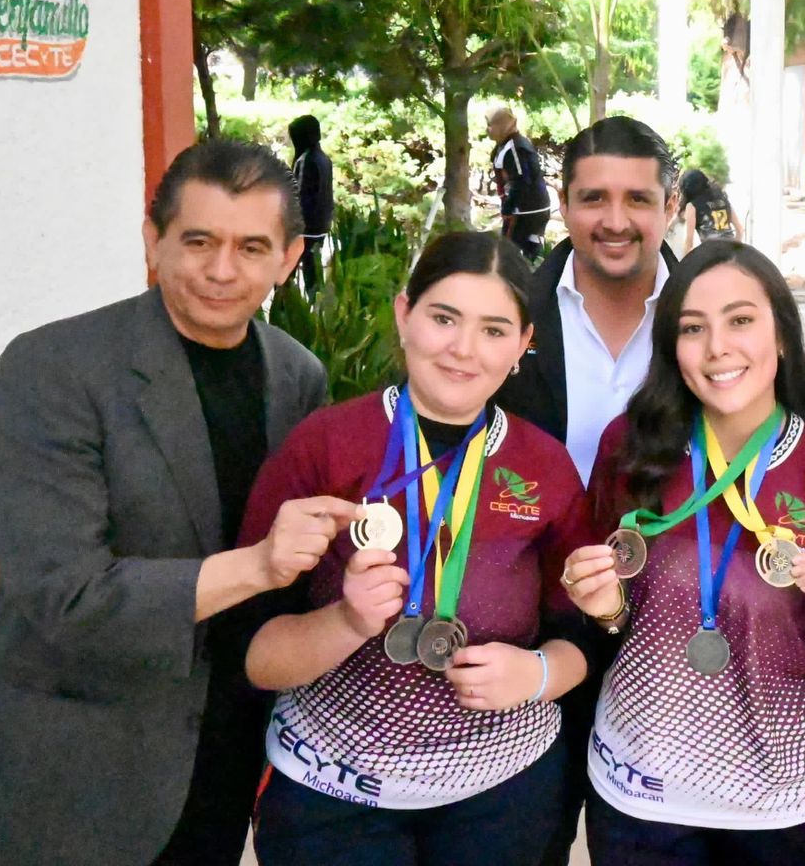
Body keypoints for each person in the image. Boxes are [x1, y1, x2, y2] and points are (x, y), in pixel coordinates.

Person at [0, 141, 341, 866]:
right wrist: (257, 566)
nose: (222, 270)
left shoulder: (297, 376)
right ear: (153, 241)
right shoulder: (55, 367)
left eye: (251, 247)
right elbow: (63, 593)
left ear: (288, 258)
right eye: (199, 241)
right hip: (74, 769)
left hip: (222, 754)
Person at [240, 231, 596, 866]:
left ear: (523, 344)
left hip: (503, 798)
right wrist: (347, 620)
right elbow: (255, 656)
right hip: (334, 797)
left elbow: (585, 636)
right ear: (404, 315)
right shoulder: (324, 446)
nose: (463, 349)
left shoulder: (544, 466)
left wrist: (538, 674)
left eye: (493, 330)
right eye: (444, 318)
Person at [561, 241, 805, 866]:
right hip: (640, 790)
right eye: (693, 328)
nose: (717, 348)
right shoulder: (629, 449)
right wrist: (602, 607)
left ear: (781, 335)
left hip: (781, 799)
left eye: (740, 320)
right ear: (671, 346)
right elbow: (613, 622)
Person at [495, 114, 680, 866]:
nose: (615, 220)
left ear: (671, 206)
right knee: (527, 843)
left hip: (675, 636)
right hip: (531, 632)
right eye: (593, 197)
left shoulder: (714, 318)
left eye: (638, 198)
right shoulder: (508, 313)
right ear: (564, 203)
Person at [488, 107, 553, 263]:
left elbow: (522, 181)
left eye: (491, 125)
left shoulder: (516, 147)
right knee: (528, 254)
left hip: (526, 210)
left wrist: (508, 208)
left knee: (508, 255)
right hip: (530, 208)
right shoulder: (508, 145)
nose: (488, 129)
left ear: (501, 126)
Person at [289, 115, 334, 293]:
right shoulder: (325, 159)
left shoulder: (305, 160)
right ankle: (316, 303)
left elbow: (297, 195)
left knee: (287, 269)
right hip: (321, 225)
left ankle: (284, 303)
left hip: (305, 228)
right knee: (312, 271)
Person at [678, 168, 742, 249]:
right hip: (730, 251)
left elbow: (689, 242)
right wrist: (735, 250)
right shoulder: (723, 199)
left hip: (711, 253)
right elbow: (740, 229)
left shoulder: (692, 206)